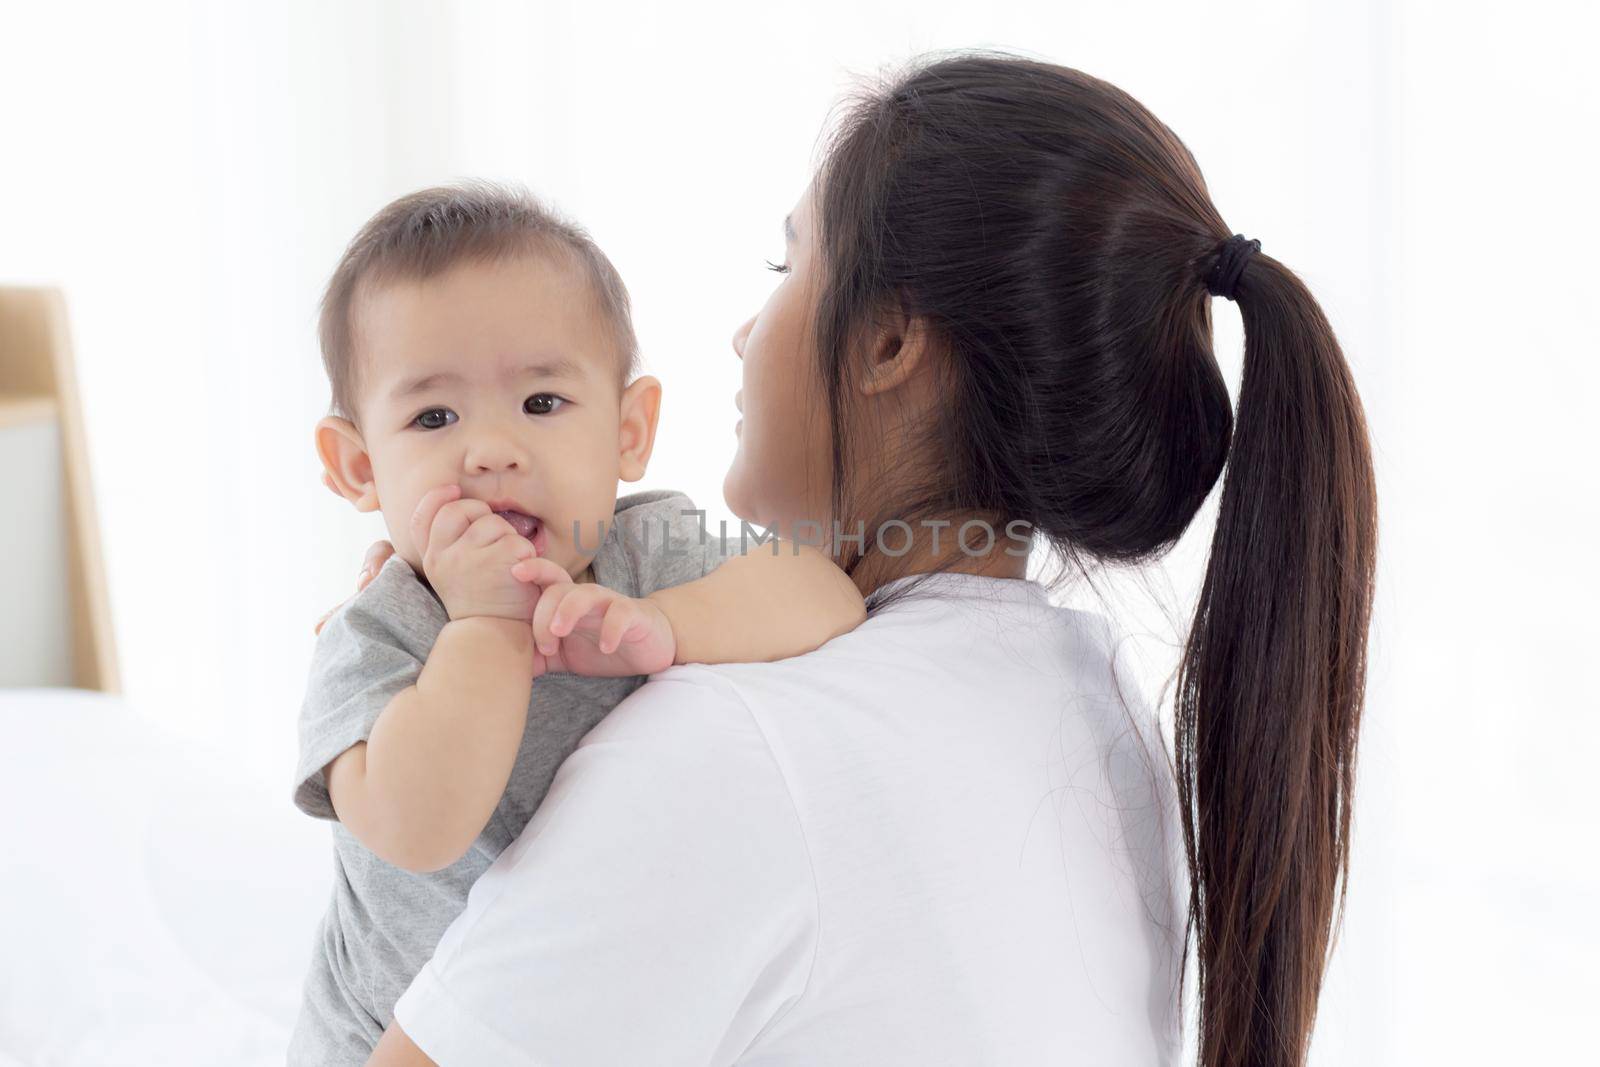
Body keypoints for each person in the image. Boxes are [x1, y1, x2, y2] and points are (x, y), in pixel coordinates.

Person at [362, 50, 1378, 1067]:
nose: (742, 332)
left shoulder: (741, 743)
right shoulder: (1095, 709)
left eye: (786, 267)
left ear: (887, 341)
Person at [290, 182, 867, 1063]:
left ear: (629, 431)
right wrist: (486, 624)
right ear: (360, 466)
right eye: (433, 417)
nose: (491, 449)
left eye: (542, 403)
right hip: (398, 1039)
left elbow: (827, 596)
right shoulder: (376, 636)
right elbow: (418, 827)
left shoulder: (643, 553)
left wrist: (664, 621)